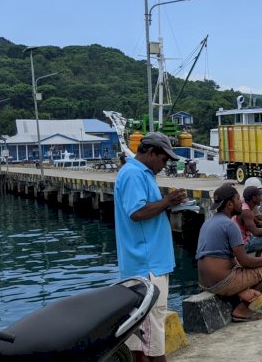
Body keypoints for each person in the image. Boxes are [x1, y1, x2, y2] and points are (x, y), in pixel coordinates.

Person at [114, 132, 186, 362]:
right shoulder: (135, 174)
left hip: (144, 263)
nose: (164, 166)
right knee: (154, 331)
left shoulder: (138, 173)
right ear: (151, 152)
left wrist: (167, 203)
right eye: (163, 160)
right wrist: (168, 201)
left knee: (141, 336)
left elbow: (143, 209)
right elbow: (137, 213)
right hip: (147, 265)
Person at [196, 183, 262, 322]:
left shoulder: (208, 223)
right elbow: (244, 260)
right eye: (238, 199)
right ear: (229, 204)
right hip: (221, 282)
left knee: (242, 269)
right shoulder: (230, 225)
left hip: (204, 282)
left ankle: (241, 292)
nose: (241, 202)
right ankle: (242, 309)